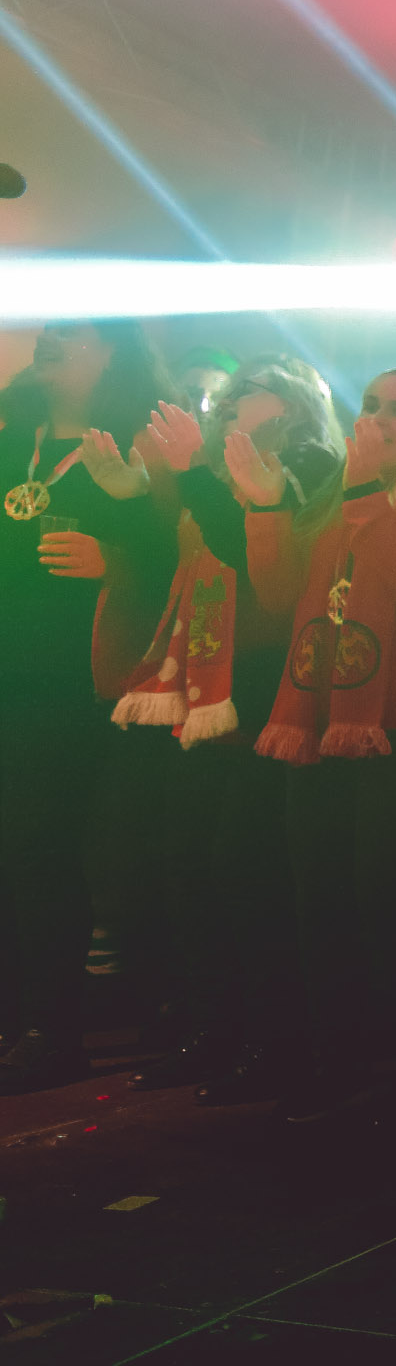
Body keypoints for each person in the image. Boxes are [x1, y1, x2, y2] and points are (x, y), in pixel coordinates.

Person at [246, 367, 396, 1120]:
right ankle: (339, 1058)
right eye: (372, 405)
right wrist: (264, 508)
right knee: (317, 889)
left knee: (382, 889)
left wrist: (363, 492)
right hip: (317, 710)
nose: (379, 418)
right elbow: (279, 595)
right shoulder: (336, 492)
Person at [115, 357, 343, 1101]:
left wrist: (192, 476)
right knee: (187, 858)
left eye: (257, 395)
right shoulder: (217, 471)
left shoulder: (311, 464)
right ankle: (215, 1029)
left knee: (246, 867)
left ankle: (276, 1042)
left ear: (296, 407)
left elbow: (258, 568)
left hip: (269, 683)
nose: (238, 404)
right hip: (210, 679)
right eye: (236, 396)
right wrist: (155, 486)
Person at [0, 322, 179, 1093]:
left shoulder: (139, 442)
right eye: (49, 329)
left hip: (88, 682)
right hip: (11, 671)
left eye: (72, 333)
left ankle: (56, 1029)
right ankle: (21, 1018)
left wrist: (118, 559)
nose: (50, 338)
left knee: (54, 847)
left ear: (112, 353)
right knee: (15, 850)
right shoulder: (14, 437)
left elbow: (189, 555)